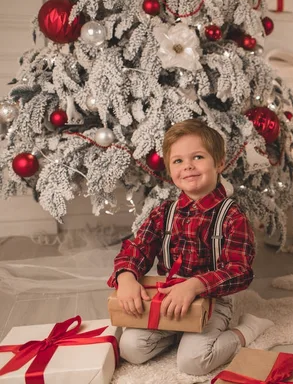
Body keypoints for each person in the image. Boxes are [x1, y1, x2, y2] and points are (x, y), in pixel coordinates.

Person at [107, 119, 273, 375]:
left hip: (212, 299)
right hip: (168, 296)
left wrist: (195, 285)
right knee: (130, 349)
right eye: (178, 161)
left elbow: (239, 270)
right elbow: (135, 249)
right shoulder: (164, 212)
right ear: (169, 169)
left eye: (198, 157)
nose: (188, 167)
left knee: (193, 362)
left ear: (219, 163)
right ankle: (178, 332)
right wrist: (126, 277)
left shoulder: (232, 216)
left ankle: (247, 329)